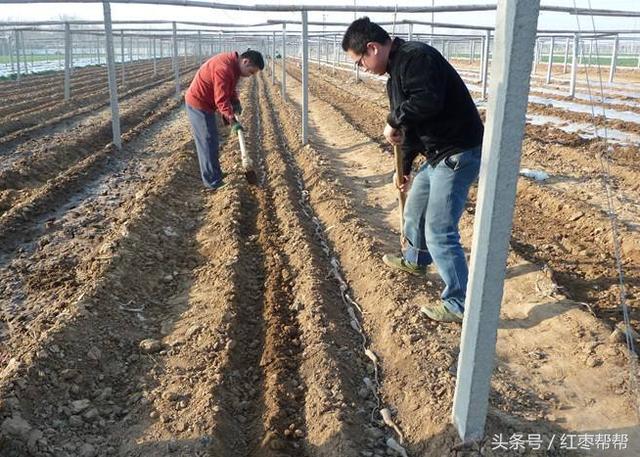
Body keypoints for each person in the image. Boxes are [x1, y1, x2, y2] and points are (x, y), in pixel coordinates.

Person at [342, 18, 484, 323]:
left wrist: (394, 120)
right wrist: (403, 168)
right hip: (437, 154)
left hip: (457, 151)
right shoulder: (395, 75)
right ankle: (416, 259)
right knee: (415, 205)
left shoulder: (416, 57)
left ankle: (460, 303)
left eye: (360, 62)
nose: (362, 69)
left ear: (372, 48)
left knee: (440, 230)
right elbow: (410, 128)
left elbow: (427, 101)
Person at [185, 49, 264, 189]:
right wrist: (232, 121)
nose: (249, 76)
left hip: (207, 103)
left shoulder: (233, 65)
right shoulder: (224, 67)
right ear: (245, 62)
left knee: (213, 139)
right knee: (207, 140)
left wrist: (235, 100)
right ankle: (212, 181)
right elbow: (220, 99)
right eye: (251, 72)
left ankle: (216, 174)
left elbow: (230, 86)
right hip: (199, 103)